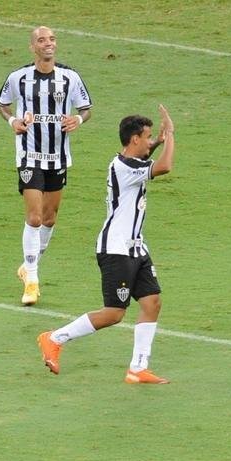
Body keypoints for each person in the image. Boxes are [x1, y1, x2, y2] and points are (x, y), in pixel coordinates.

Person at [38, 105, 176, 384]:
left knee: (152, 302)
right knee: (114, 313)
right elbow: (164, 166)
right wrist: (170, 134)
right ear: (134, 139)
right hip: (116, 249)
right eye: (147, 136)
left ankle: (137, 368)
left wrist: (158, 141)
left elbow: (148, 156)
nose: (150, 141)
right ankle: (53, 338)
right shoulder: (124, 167)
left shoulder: (130, 162)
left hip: (136, 248)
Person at [0, 26, 92, 305]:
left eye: (51, 39)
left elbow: (86, 107)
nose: (48, 44)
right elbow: (2, 104)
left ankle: (28, 265)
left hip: (58, 157)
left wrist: (79, 120)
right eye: (41, 40)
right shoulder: (19, 78)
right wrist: (12, 121)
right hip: (29, 155)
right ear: (32, 47)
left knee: (49, 219)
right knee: (35, 218)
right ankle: (32, 281)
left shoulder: (70, 78)